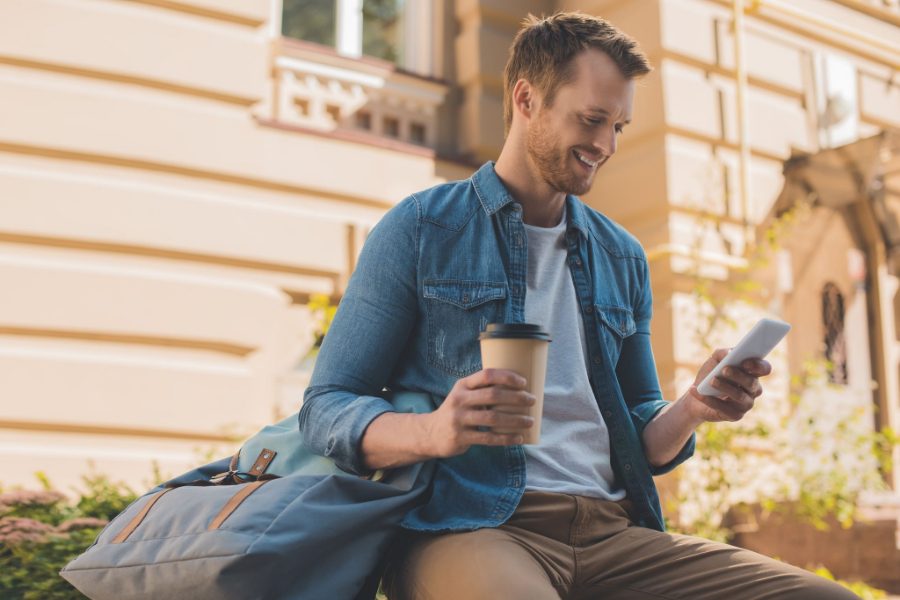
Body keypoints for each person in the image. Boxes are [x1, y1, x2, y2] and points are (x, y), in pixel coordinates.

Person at [300, 11, 858, 600]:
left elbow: (641, 430)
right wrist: (435, 430)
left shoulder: (622, 256)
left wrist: (695, 407)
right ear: (526, 99)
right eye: (592, 120)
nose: (607, 145)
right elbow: (326, 407)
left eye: (618, 125)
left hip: (611, 532)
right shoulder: (422, 229)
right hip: (471, 527)